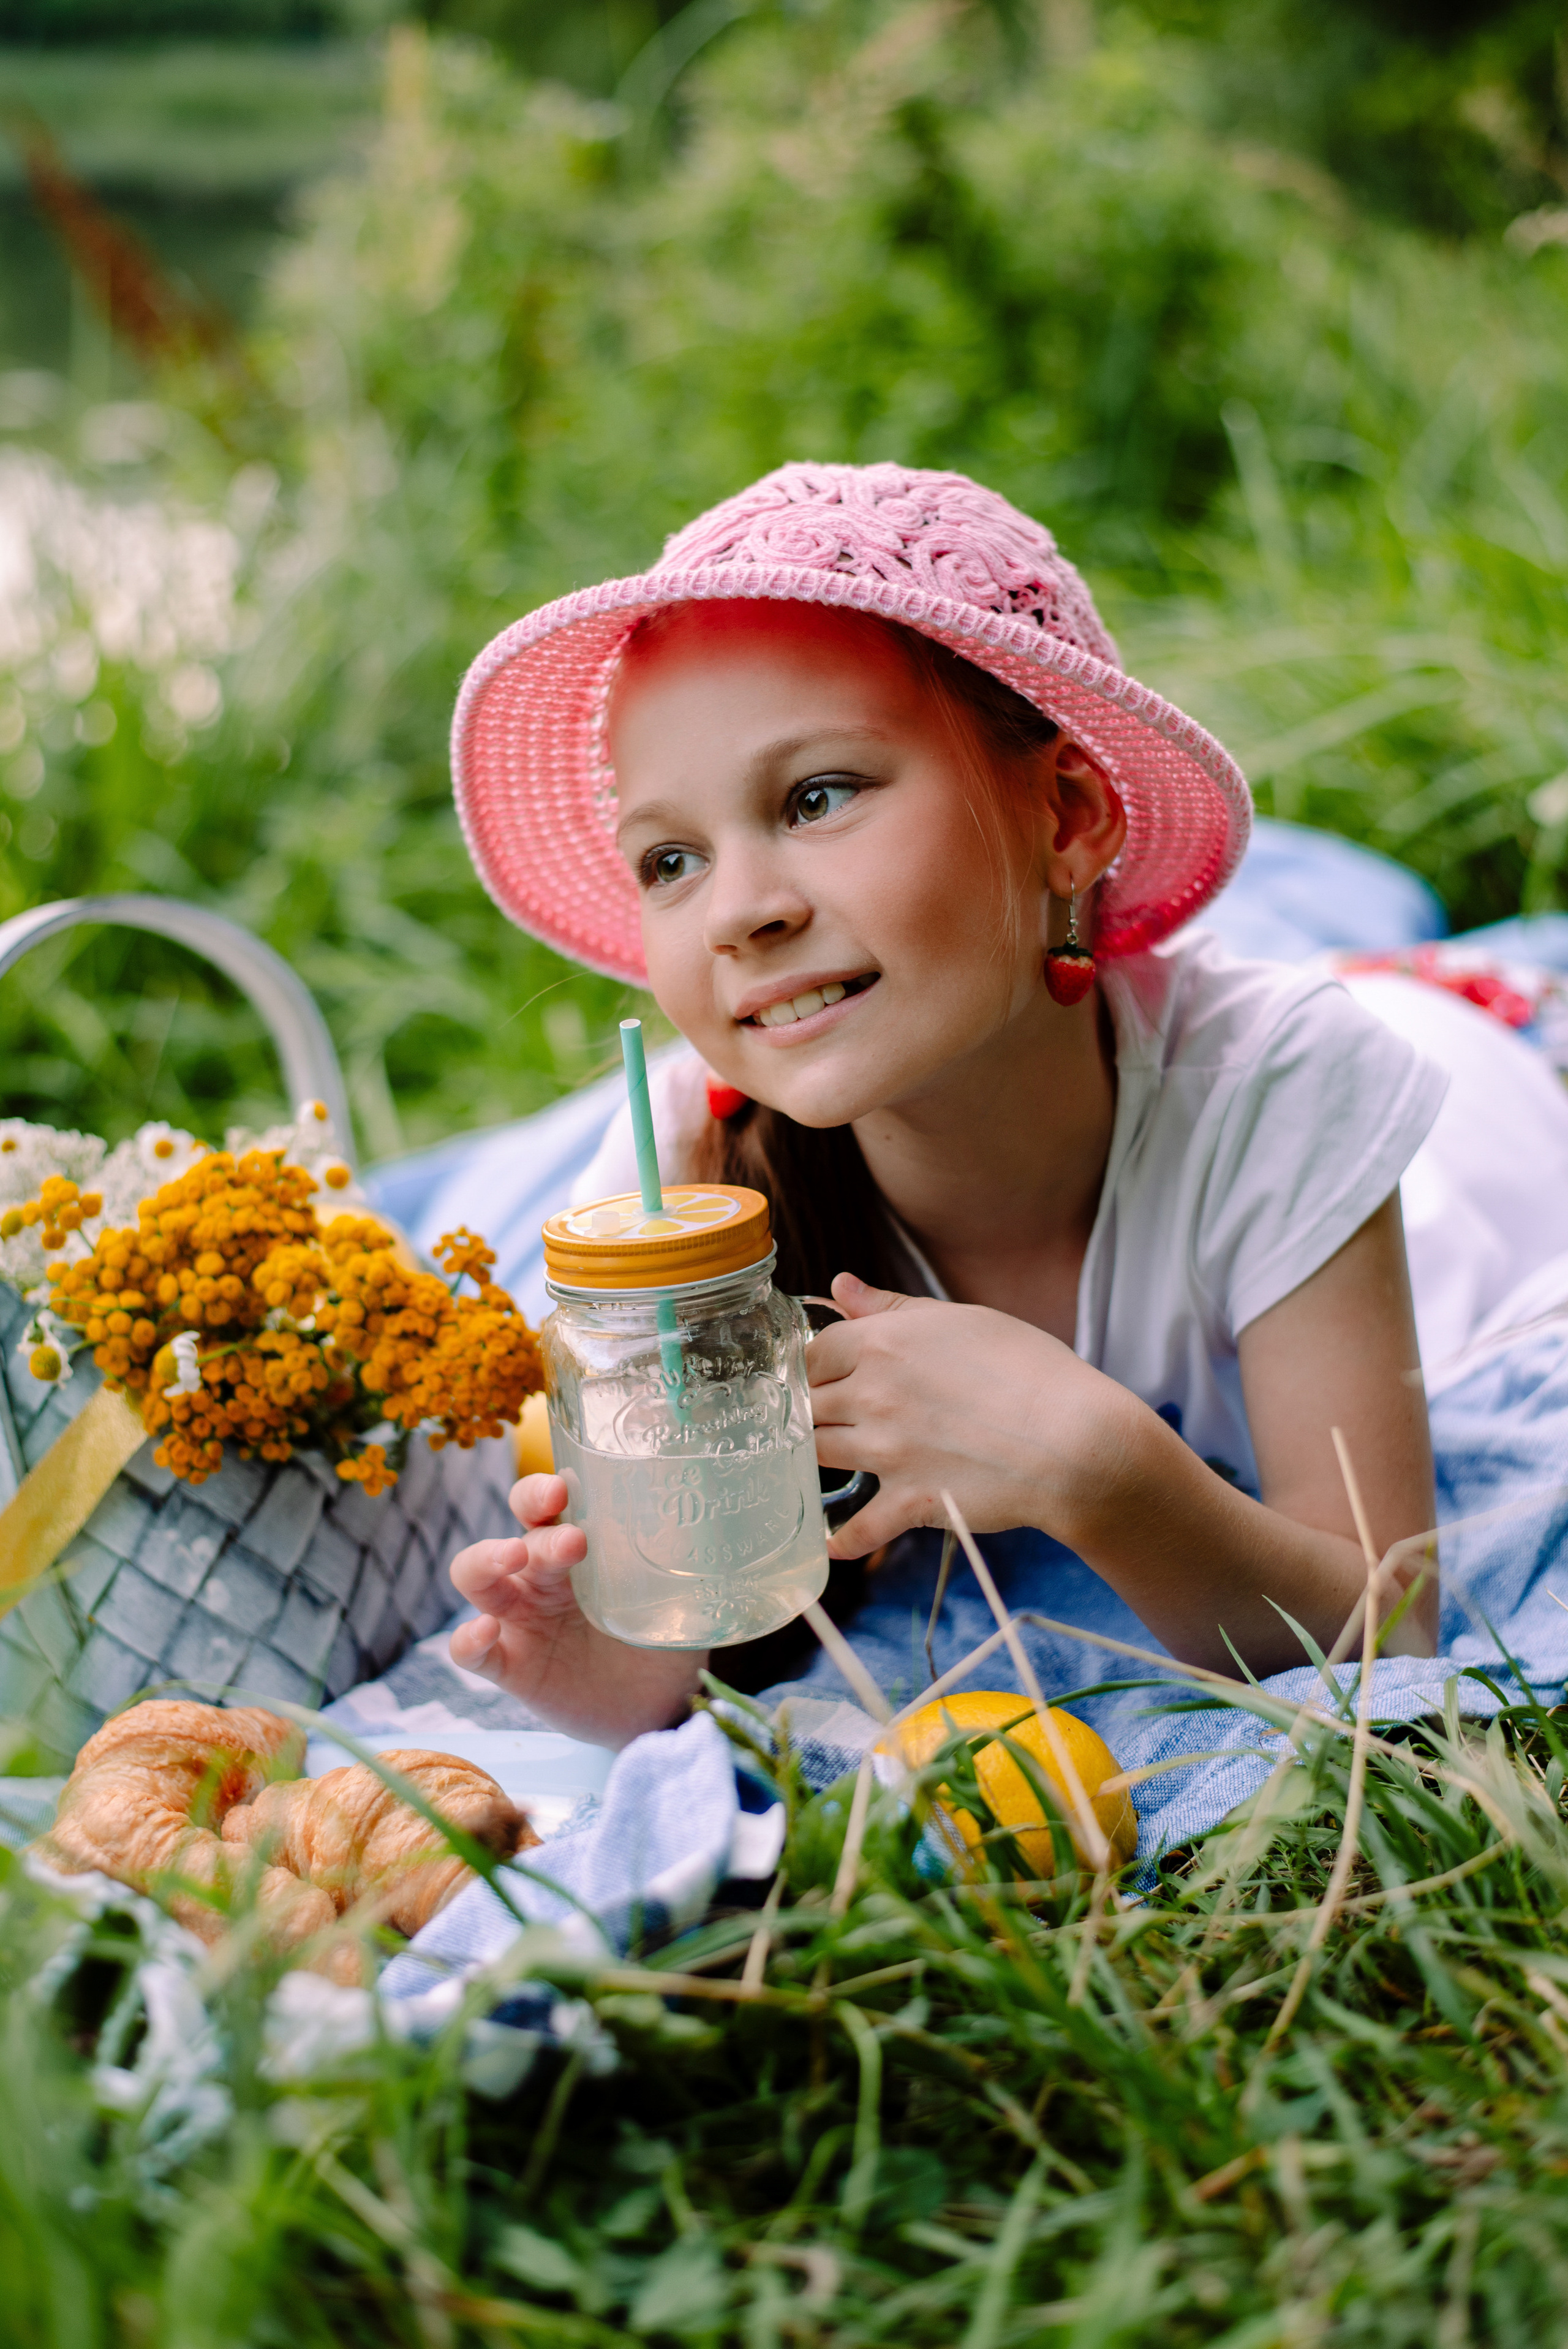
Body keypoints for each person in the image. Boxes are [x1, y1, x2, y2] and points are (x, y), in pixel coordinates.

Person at [441, 461, 1451, 1747]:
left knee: (1433, 996)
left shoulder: (1279, 1090)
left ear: (1068, 816)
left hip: (1463, 1167)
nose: (743, 909)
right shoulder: (675, 1199)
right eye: (669, 860)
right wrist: (615, 1662)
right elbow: (701, 1631)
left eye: (816, 798)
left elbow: (1390, 1623)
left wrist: (1100, 1468)